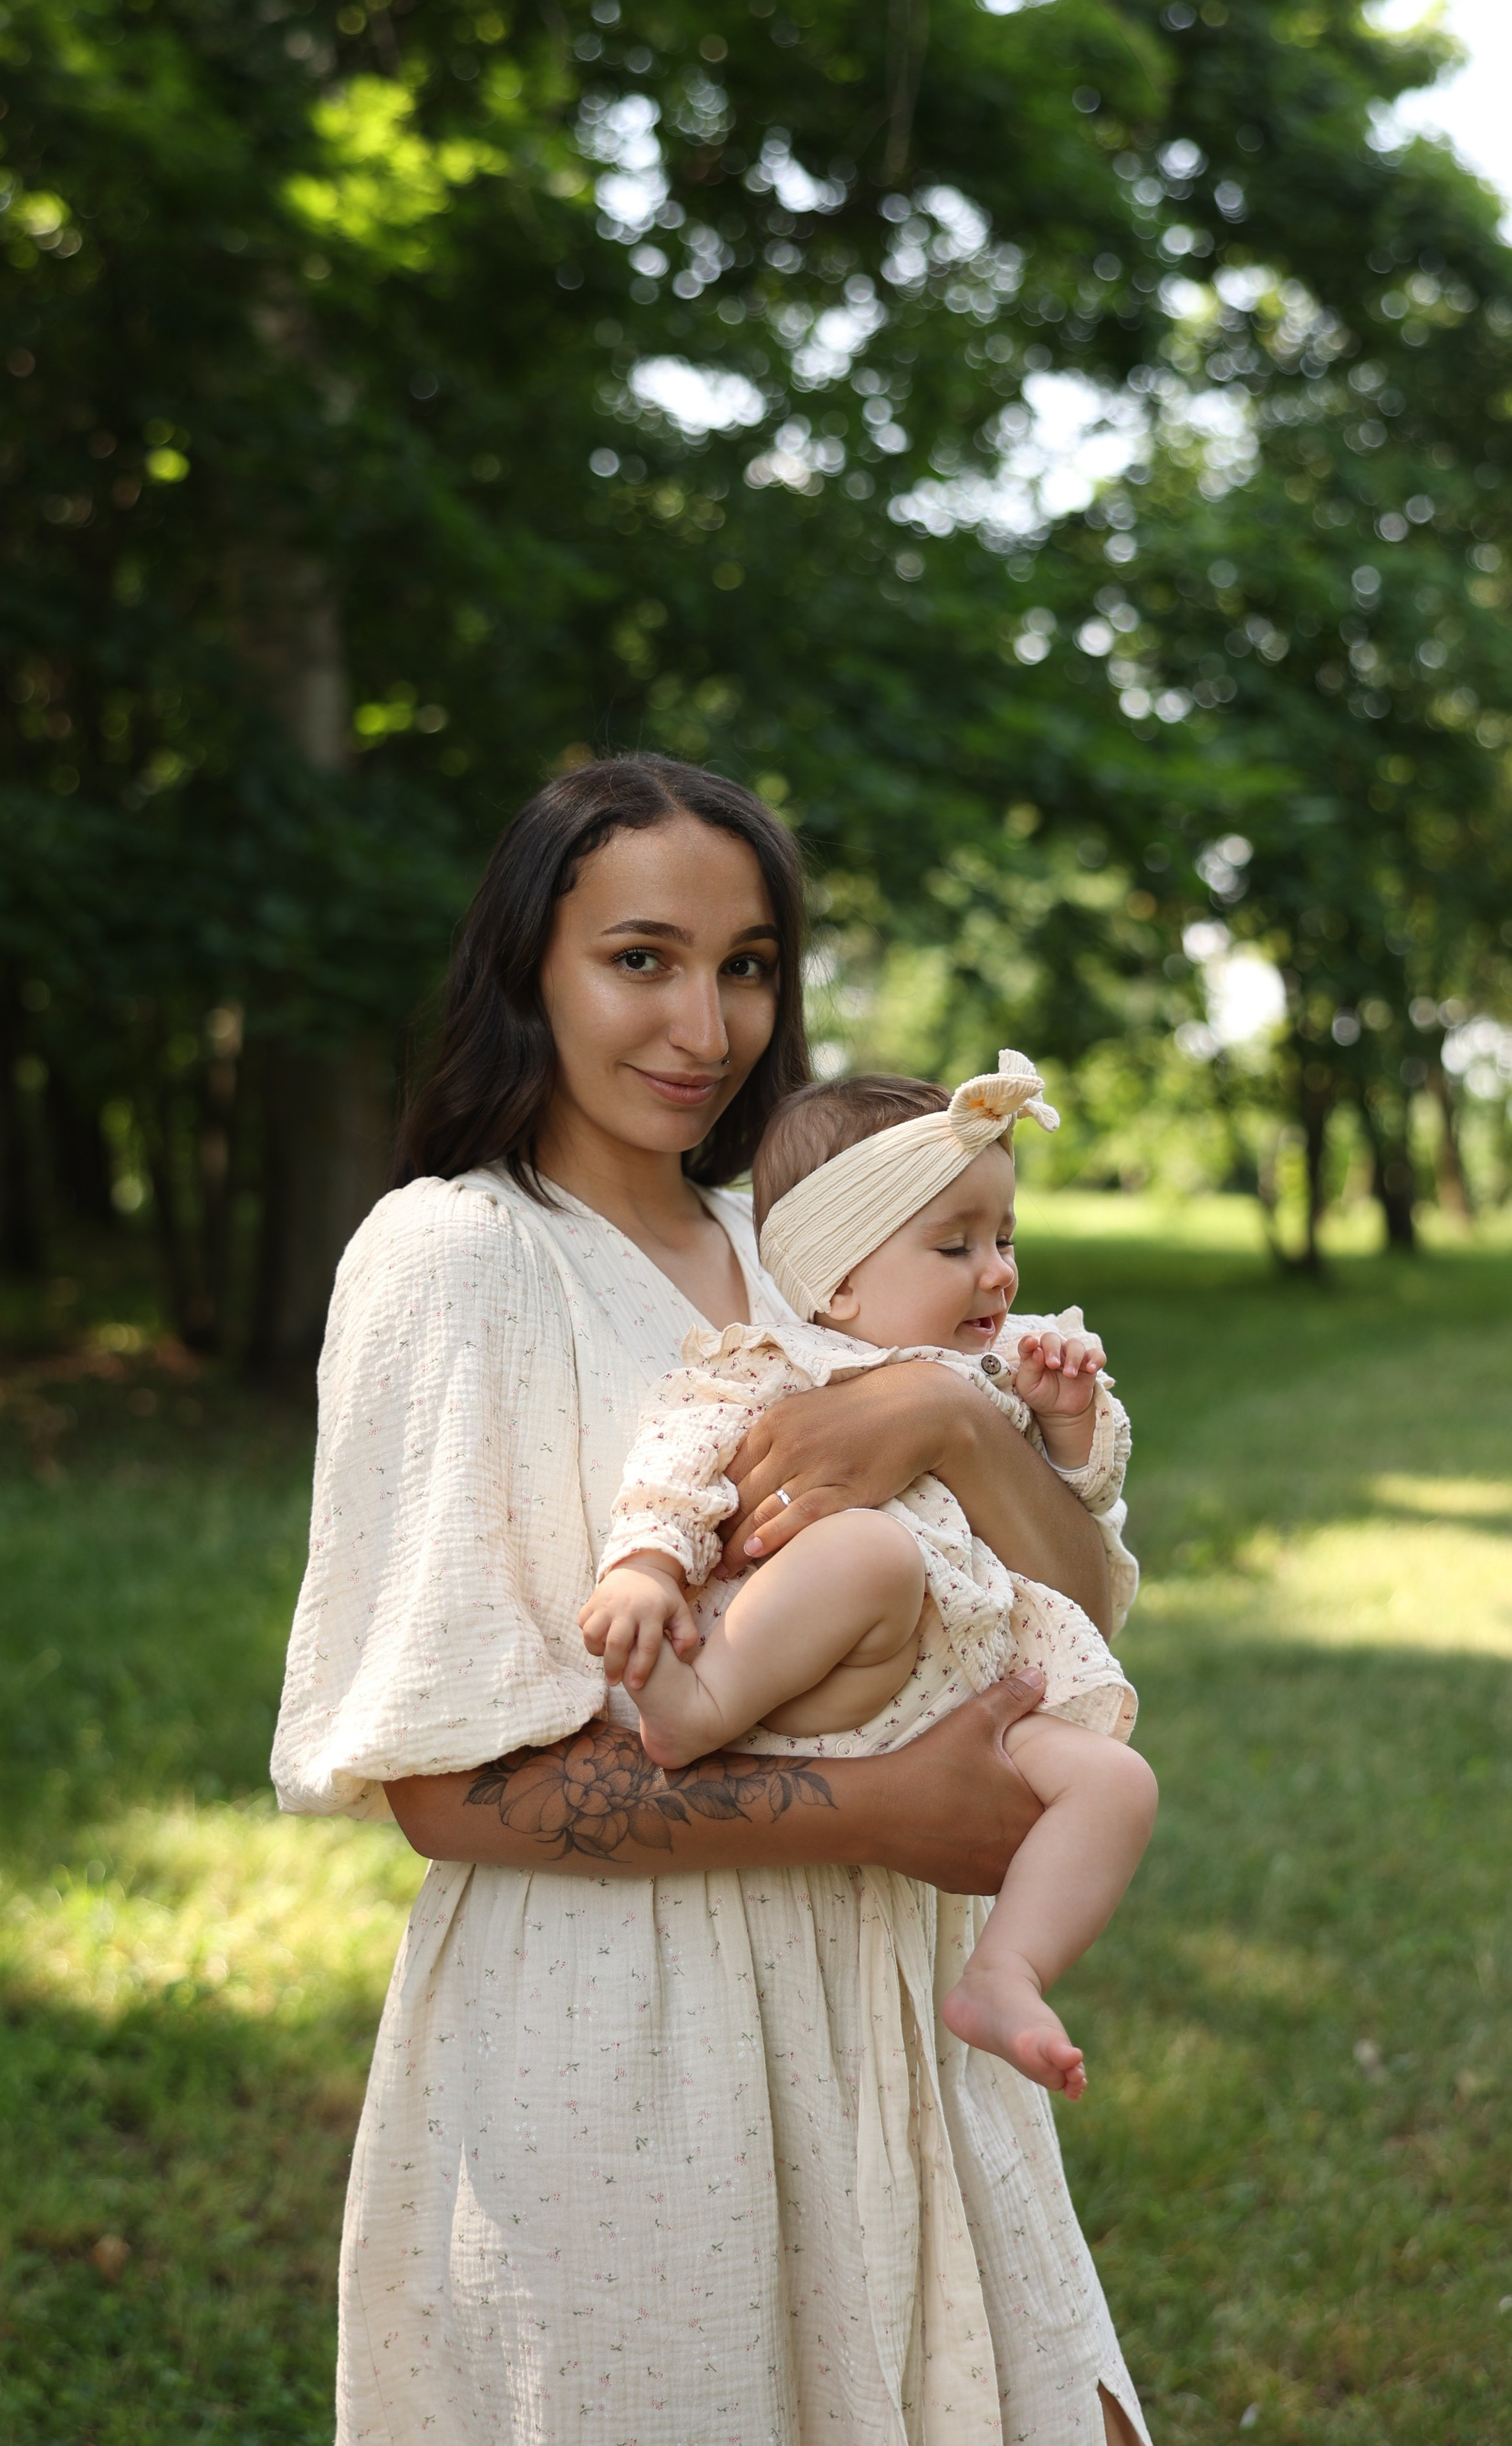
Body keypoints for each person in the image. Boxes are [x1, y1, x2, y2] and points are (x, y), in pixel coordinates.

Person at [272, 753, 1152, 2445]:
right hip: (628, 2042)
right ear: (529, 964)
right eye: (640, 959)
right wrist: (879, 1806)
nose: (704, 1025)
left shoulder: (811, 1248)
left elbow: (1083, 1611)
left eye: (745, 966)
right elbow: (449, 1796)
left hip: (901, 2015)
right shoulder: (457, 1260)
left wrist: (954, 1419)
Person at [578, 1060, 1157, 2101]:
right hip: (823, 1676)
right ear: (839, 1281)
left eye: (1005, 1238)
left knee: (1119, 1782)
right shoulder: (779, 1367)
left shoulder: (998, 1372)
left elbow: (1084, 1506)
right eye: (957, 1246)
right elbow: (677, 1457)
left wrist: (1065, 1426)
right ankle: (691, 1707)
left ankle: (1007, 1972)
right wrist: (645, 1567)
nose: (999, 1274)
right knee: (870, 1548)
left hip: (949, 1695)